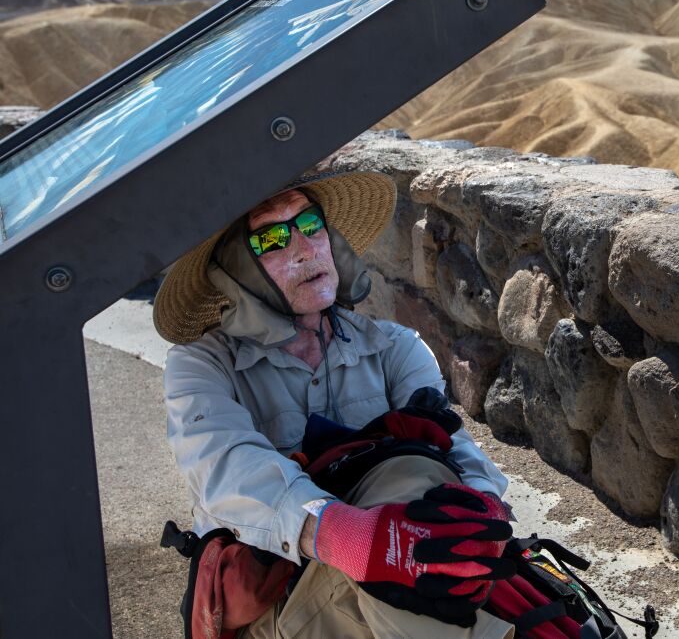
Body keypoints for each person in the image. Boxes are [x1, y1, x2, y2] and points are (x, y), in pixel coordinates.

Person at [153, 170, 516, 638]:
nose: (304, 249)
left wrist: (484, 506)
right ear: (236, 271)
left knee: (424, 475)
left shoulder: (395, 346)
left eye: (310, 226)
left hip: (399, 582)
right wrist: (344, 535)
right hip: (280, 593)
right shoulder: (201, 366)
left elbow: (454, 443)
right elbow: (223, 465)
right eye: (273, 239)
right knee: (409, 495)